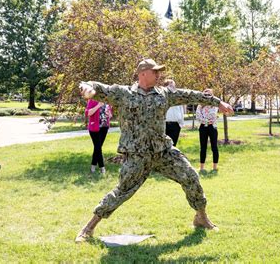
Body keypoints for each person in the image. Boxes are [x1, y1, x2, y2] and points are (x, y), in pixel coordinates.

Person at [75, 58, 234, 243]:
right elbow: (96, 88)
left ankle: (201, 217)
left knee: (190, 176)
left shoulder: (165, 94)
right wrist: (86, 87)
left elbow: (191, 95)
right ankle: (88, 228)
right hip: (137, 155)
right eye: (155, 71)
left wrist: (217, 102)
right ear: (143, 73)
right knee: (122, 192)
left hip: (162, 152)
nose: (159, 74)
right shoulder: (124, 93)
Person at [85, 99, 112, 174]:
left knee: (98, 148)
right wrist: (98, 105)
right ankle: (102, 168)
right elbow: (88, 113)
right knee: (98, 148)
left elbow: (109, 115)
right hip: (94, 128)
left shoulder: (107, 100)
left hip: (104, 127)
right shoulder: (92, 100)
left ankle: (93, 166)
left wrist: (109, 114)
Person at [196, 89, 219, 172]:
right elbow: (198, 117)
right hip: (203, 128)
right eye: (205, 95)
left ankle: (215, 167)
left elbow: (213, 115)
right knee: (203, 147)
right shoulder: (199, 106)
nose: (207, 96)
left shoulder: (214, 105)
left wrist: (205, 119)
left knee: (214, 147)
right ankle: (202, 167)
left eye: (209, 95)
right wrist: (206, 120)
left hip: (212, 127)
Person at [164, 79, 184, 146]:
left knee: (173, 146)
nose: (173, 87)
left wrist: (181, 124)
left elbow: (181, 110)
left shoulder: (178, 98)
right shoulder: (161, 97)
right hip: (164, 124)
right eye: (170, 85)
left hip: (175, 125)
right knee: (164, 146)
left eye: (174, 86)